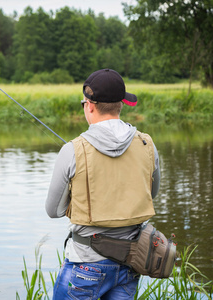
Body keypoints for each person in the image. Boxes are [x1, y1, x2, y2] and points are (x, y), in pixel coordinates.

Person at [45, 68, 161, 299]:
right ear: (121, 104)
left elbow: (53, 211)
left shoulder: (72, 150)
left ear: (89, 105)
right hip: (129, 264)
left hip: (85, 265)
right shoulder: (148, 144)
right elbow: (152, 193)